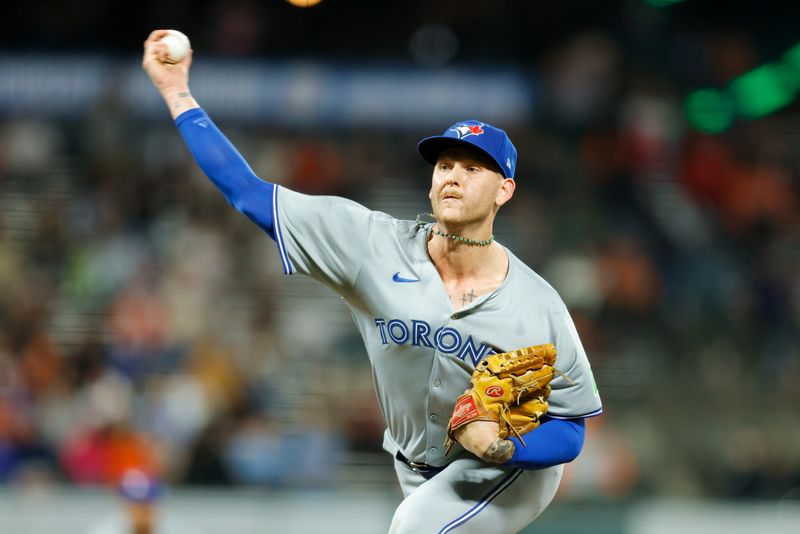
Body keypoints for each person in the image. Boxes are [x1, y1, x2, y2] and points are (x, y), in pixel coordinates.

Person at [142, 29, 602, 533]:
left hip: (510, 468)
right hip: (415, 466)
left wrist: (502, 445)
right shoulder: (371, 247)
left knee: (415, 528)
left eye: (472, 168)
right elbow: (249, 194)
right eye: (445, 164)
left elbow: (570, 428)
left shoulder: (536, 305)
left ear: (504, 190)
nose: (452, 175)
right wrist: (176, 93)